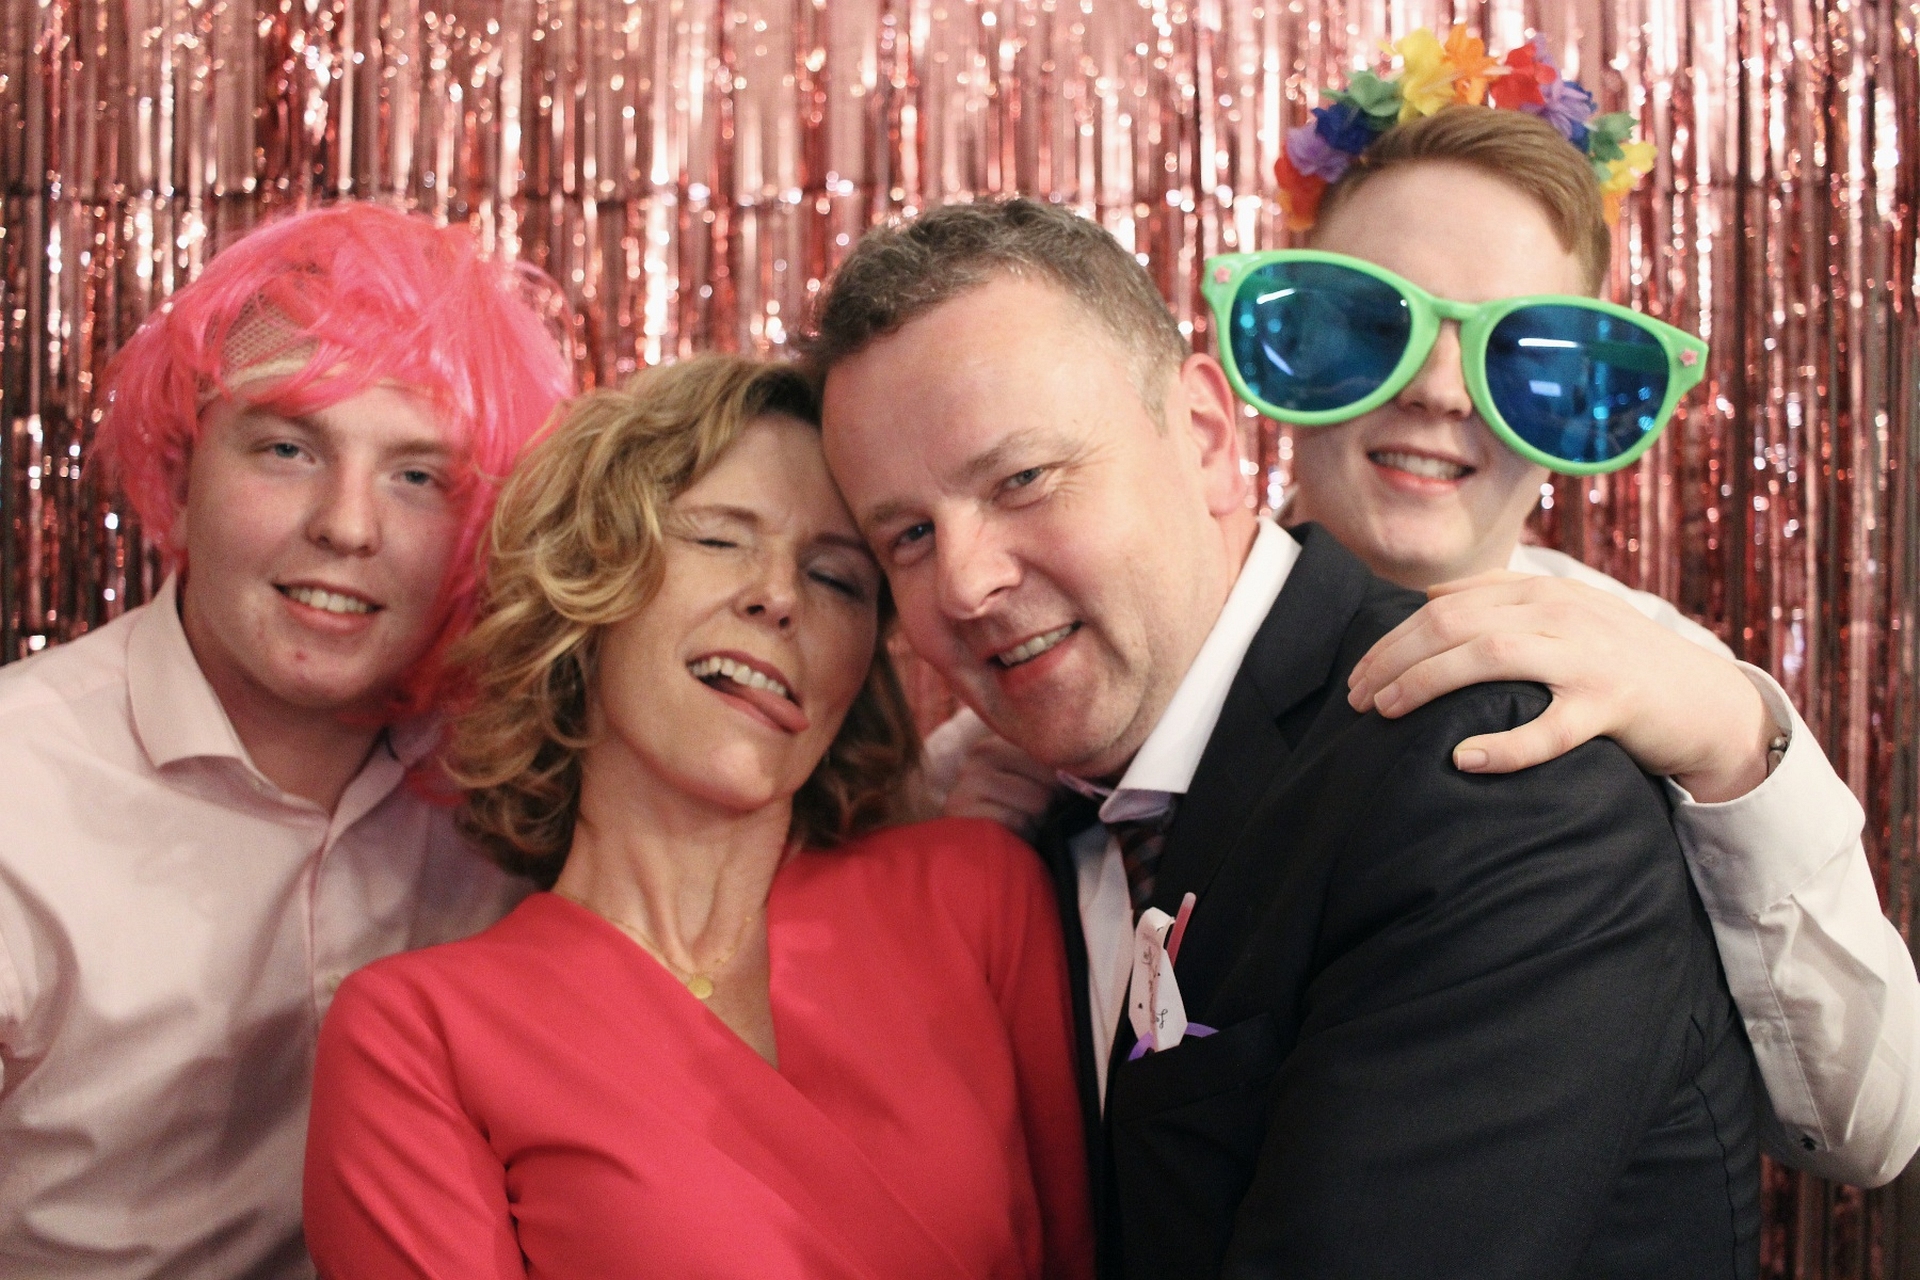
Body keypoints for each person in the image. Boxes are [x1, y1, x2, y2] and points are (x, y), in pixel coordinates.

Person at [934, 31, 1919, 1194]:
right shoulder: (1059, 696)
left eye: (1527, 354)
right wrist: (947, 863)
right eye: (1367, 324)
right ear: (1278, 344)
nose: (1442, 391)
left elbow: (1871, 1126)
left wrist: (1734, 742)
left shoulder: (1666, 685)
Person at [813, 179, 1759, 1278]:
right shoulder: (1015, 822)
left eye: (1023, 478)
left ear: (1205, 436)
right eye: (908, 536)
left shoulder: (1490, 776)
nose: (965, 583)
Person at [301, 355, 1093, 1279]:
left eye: (837, 579)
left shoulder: (976, 896)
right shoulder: (416, 1036)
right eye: (719, 539)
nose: (780, 596)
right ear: (586, 585)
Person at [0, 203, 574, 1277]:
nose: (347, 525)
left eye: (419, 476)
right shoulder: (15, 788)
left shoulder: (520, 780)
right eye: (287, 448)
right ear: (181, 478)